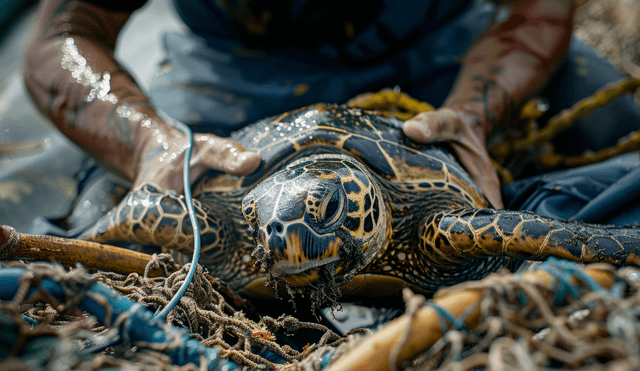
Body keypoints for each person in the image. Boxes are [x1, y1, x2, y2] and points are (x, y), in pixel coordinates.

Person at [23, 0, 640, 215]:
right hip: (236, 71)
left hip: (445, 47)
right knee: (133, 206)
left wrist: (478, 110)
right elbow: (63, 37)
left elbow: (538, 7)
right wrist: (147, 139)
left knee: (613, 126)